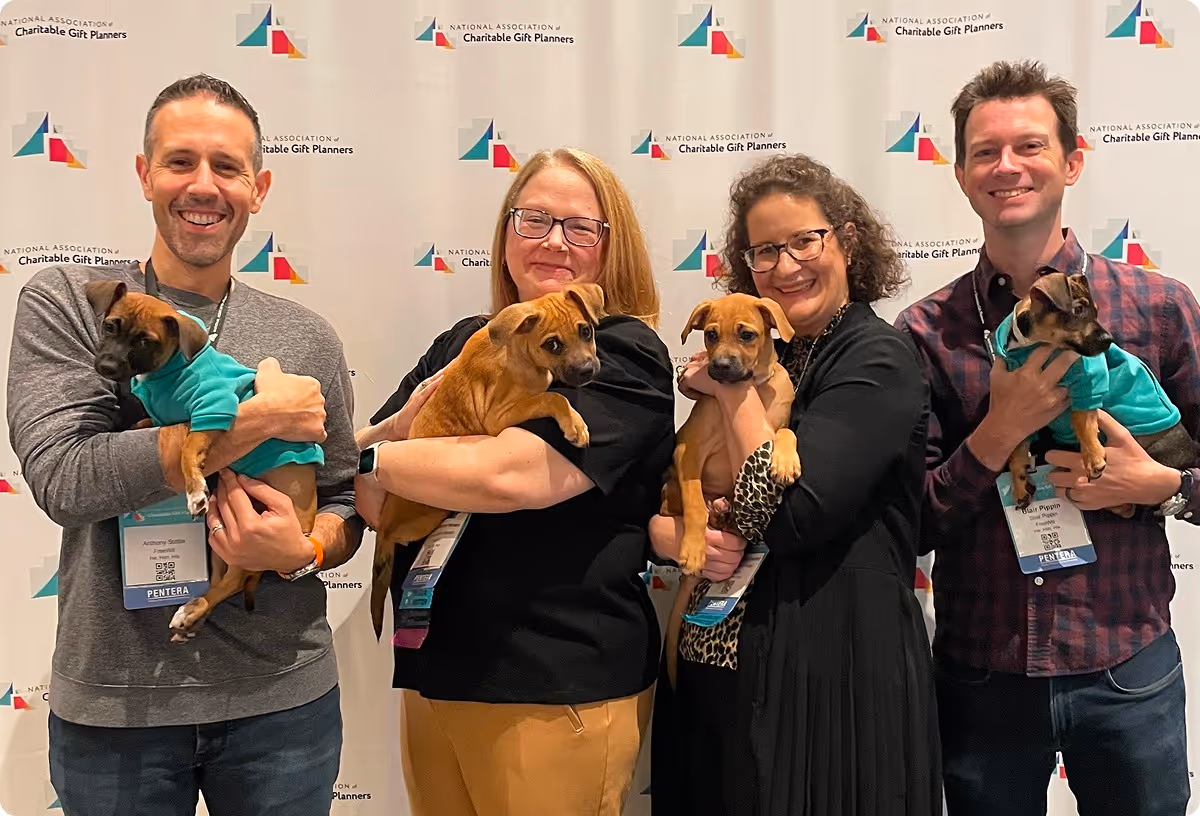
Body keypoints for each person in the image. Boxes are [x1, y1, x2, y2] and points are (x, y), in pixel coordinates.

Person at [6, 74, 361, 816]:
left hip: (282, 704)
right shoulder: (74, 303)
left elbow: (340, 501)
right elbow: (67, 479)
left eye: (227, 167)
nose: (204, 185)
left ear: (258, 188)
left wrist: (306, 551)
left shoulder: (307, 336)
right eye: (180, 161)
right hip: (117, 711)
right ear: (144, 174)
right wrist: (260, 420)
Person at [894, 59, 1198, 815]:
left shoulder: (1159, 306)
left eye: (1029, 146)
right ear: (961, 175)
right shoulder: (924, 332)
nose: (1007, 167)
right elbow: (912, 520)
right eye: (985, 152)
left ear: (1072, 160)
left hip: (1128, 667)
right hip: (981, 678)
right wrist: (999, 433)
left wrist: (1161, 486)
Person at [353, 146, 675, 816]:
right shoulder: (461, 343)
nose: (554, 241)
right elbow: (374, 503)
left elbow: (512, 476)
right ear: (505, 236)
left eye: (580, 227)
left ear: (611, 249)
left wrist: (375, 454)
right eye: (533, 220)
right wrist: (383, 455)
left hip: (555, 685)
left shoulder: (619, 351)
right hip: (434, 674)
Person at [650, 153, 942, 816]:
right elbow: (673, 480)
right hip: (726, 669)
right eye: (763, 251)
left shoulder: (876, 356)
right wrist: (664, 531)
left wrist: (727, 388)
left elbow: (791, 515)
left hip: (835, 678)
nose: (786, 266)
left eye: (806, 240)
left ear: (849, 239)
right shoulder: (771, 352)